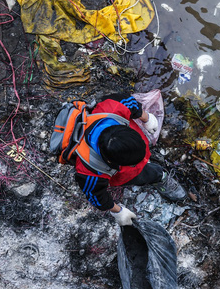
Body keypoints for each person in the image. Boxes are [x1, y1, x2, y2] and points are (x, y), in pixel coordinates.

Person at [73, 93, 188, 226]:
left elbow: (127, 101)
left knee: (144, 162)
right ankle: (159, 177)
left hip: (124, 148)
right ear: (110, 162)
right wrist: (117, 211)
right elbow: (95, 195)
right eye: (133, 163)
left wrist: (146, 117)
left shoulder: (113, 109)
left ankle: (151, 167)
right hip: (122, 173)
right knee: (142, 175)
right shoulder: (89, 171)